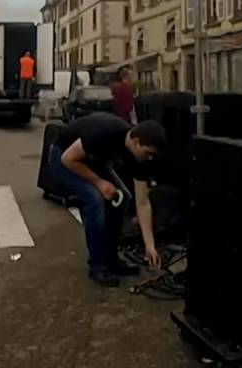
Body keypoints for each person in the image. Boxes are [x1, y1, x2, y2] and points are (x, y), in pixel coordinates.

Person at [48, 112, 166, 287]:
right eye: (148, 153)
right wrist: (99, 182)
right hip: (63, 157)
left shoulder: (139, 158)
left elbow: (142, 203)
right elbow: (68, 159)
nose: (150, 158)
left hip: (92, 161)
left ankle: (111, 260)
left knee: (124, 197)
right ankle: (97, 266)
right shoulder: (105, 133)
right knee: (95, 200)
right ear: (136, 141)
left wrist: (150, 245)